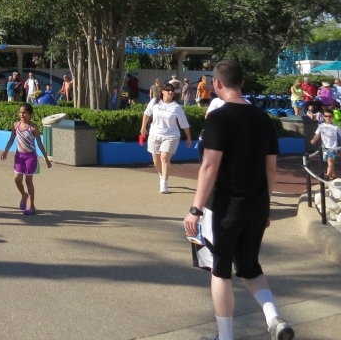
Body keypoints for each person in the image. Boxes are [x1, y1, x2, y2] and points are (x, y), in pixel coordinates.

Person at [183, 59, 291, 340]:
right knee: (250, 266)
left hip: (224, 208)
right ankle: (273, 317)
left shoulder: (218, 118)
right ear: (242, 82)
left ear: (217, 84)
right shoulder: (263, 119)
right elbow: (271, 169)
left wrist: (195, 209)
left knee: (220, 271)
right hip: (256, 206)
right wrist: (265, 206)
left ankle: (225, 336)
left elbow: (209, 166)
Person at [141, 82, 193, 194]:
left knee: (164, 158)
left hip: (171, 135)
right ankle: (162, 174)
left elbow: (184, 124)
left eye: (172, 91)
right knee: (156, 160)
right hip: (154, 134)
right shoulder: (154, 102)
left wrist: (188, 137)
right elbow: (146, 114)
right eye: (168, 90)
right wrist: (143, 127)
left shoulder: (177, 107)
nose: (170, 92)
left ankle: (164, 183)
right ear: (163, 91)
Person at [1, 103, 52, 215]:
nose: (22, 114)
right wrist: (5, 151)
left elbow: (39, 144)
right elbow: (11, 139)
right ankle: (24, 195)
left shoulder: (33, 128)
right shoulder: (15, 125)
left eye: (24, 112)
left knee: (29, 181)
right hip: (19, 157)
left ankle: (31, 205)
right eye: (20, 112)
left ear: (30, 114)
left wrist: (46, 159)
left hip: (31, 157)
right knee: (17, 179)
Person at [311, 109, 338, 180]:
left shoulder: (336, 127)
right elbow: (317, 134)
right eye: (326, 116)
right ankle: (333, 175)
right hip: (324, 147)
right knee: (329, 161)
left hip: (333, 147)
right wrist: (314, 140)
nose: (328, 118)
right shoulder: (321, 126)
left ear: (332, 117)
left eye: (329, 116)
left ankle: (327, 176)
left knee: (330, 160)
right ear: (323, 117)